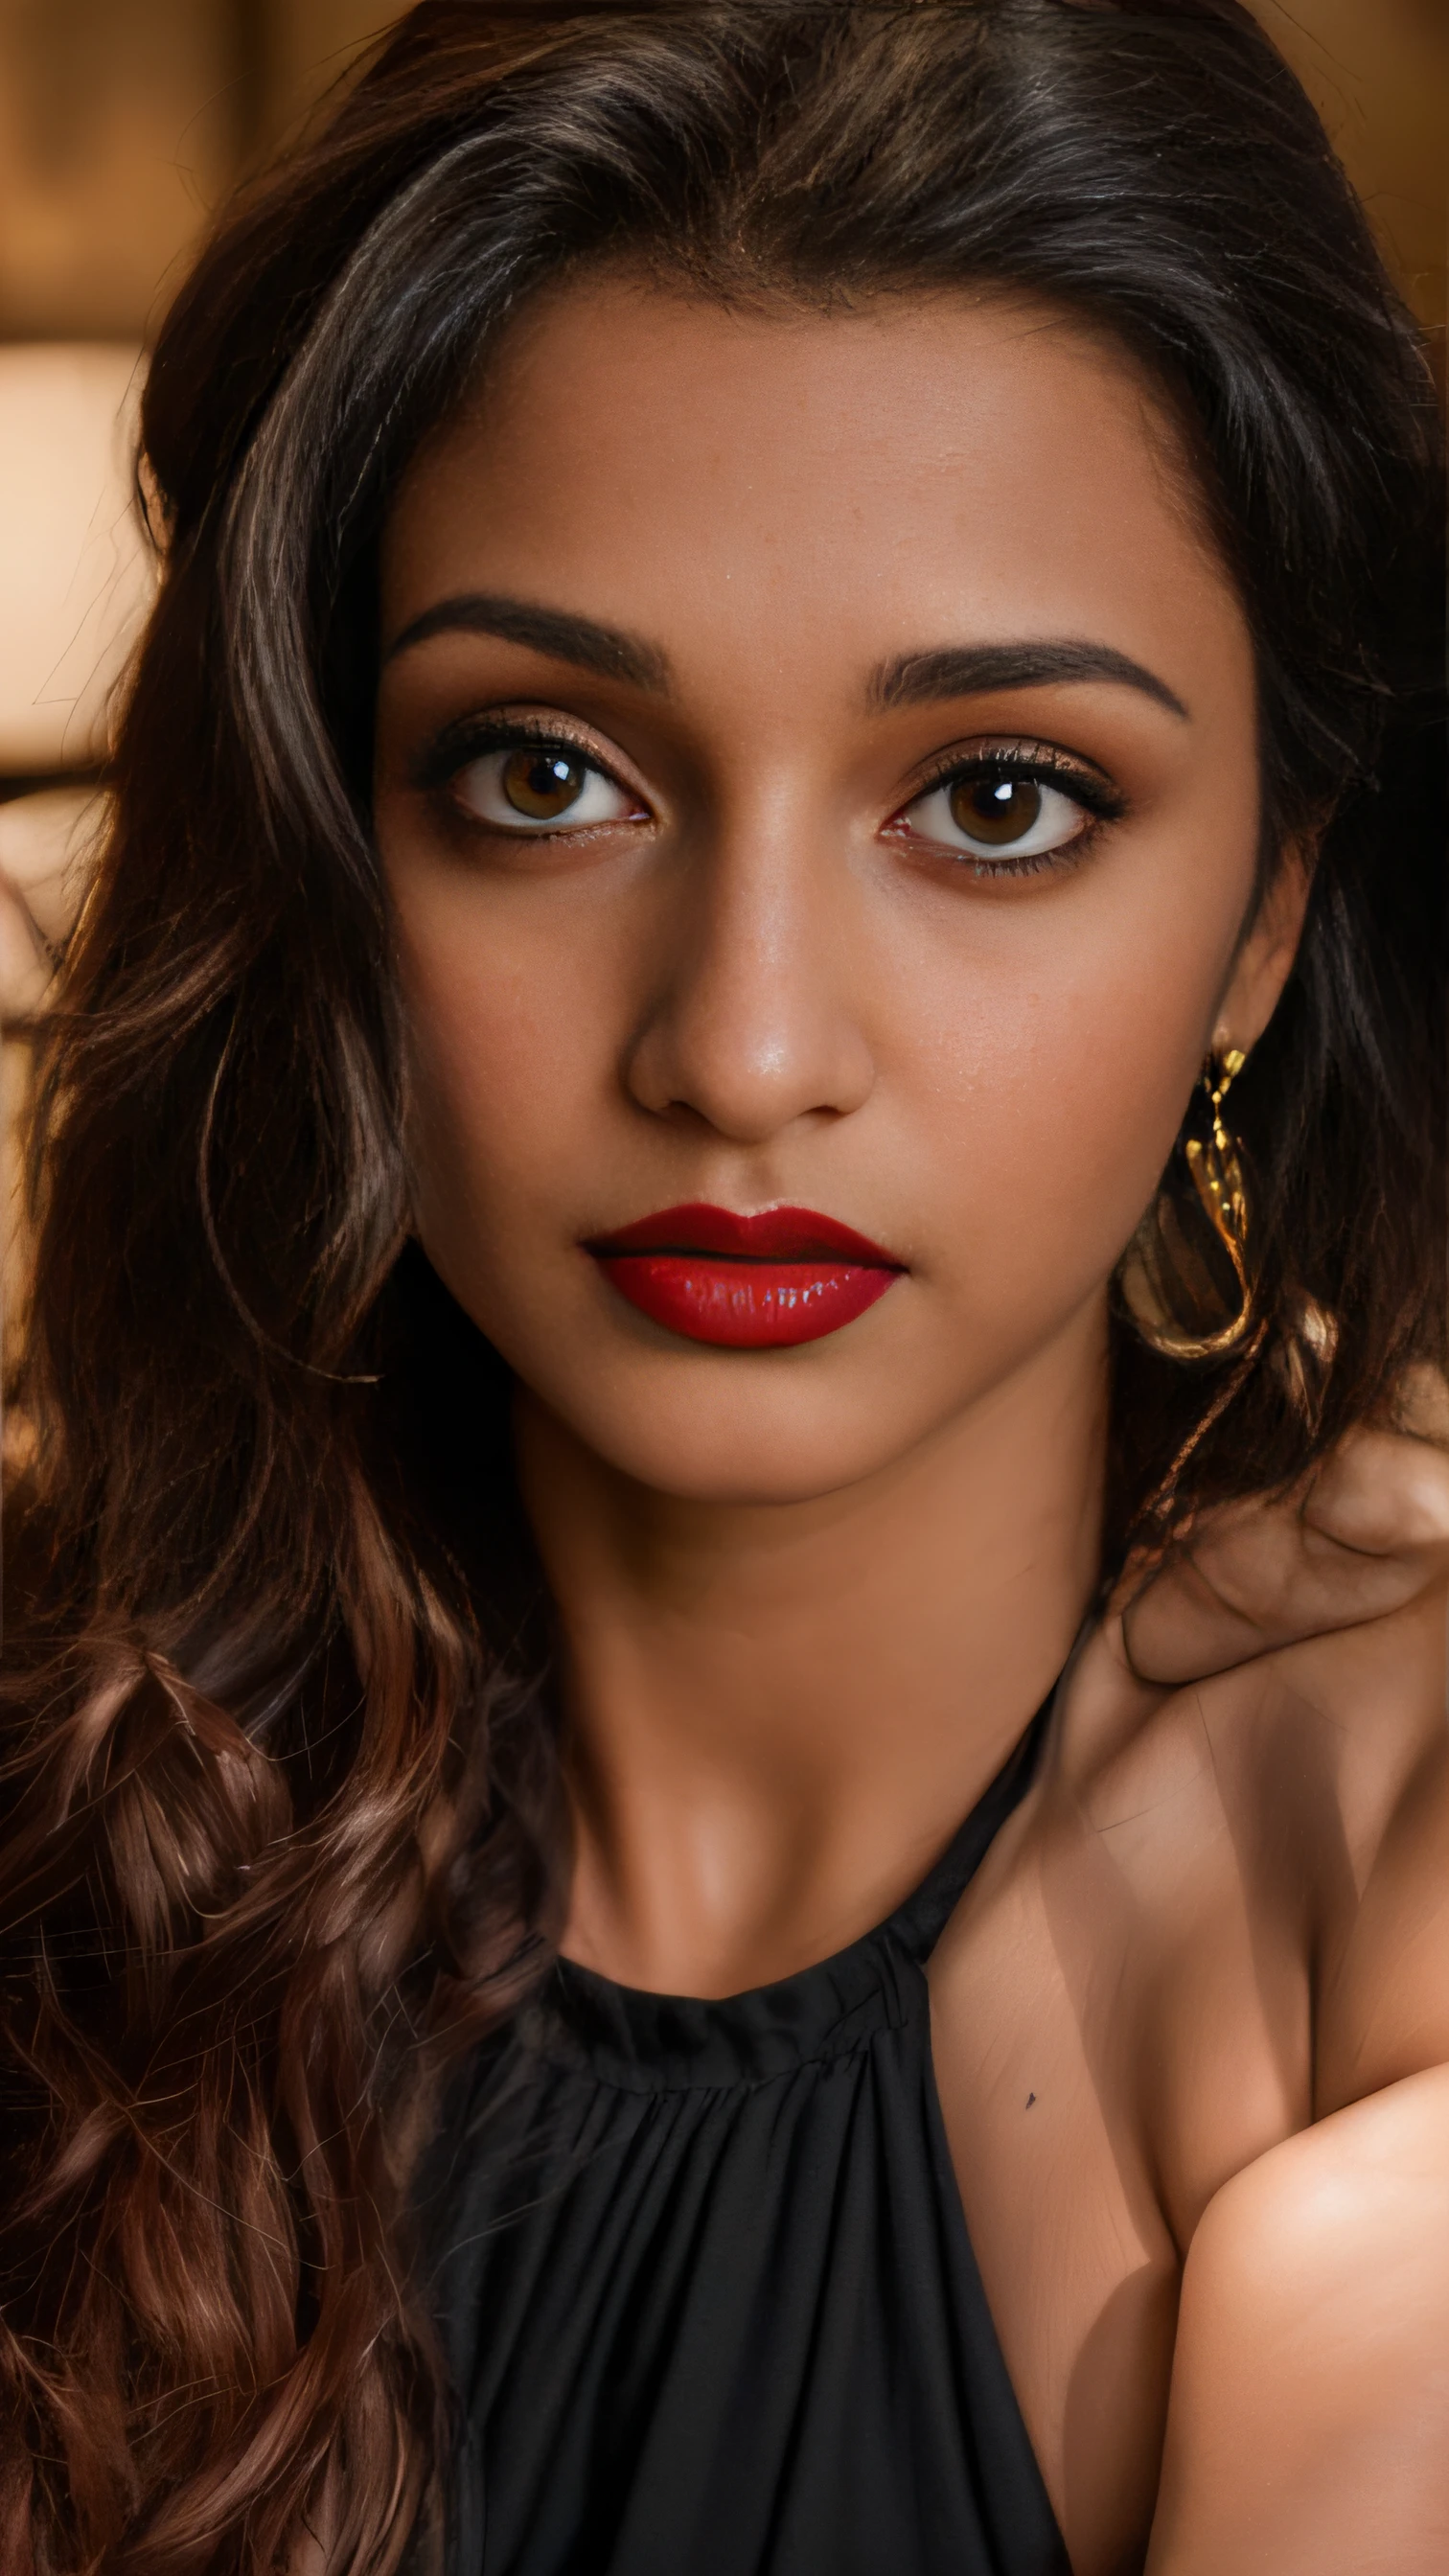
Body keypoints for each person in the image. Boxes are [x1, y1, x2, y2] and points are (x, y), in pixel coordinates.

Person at [2, 3, 1445, 2570]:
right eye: (543, 771)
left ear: (1265, 925)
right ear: (332, 838)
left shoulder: (1374, 1932)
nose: (744, 1049)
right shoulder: (73, 1838)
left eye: (1000, 801)